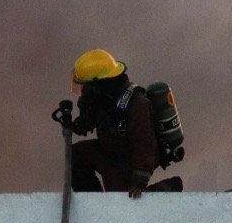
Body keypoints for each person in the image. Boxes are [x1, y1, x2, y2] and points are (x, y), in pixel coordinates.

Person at [68, 48, 179, 198]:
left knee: (120, 200)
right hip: (112, 150)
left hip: (131, 159)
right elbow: (87, 123)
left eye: (84, 86)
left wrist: (138, 181)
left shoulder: (136, 103)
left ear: (96, 84)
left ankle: (168, 187)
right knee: (76, 155)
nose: (82, 92)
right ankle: (92, 201)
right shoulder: (102, 98)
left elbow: (144, 145)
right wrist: (71, 124)